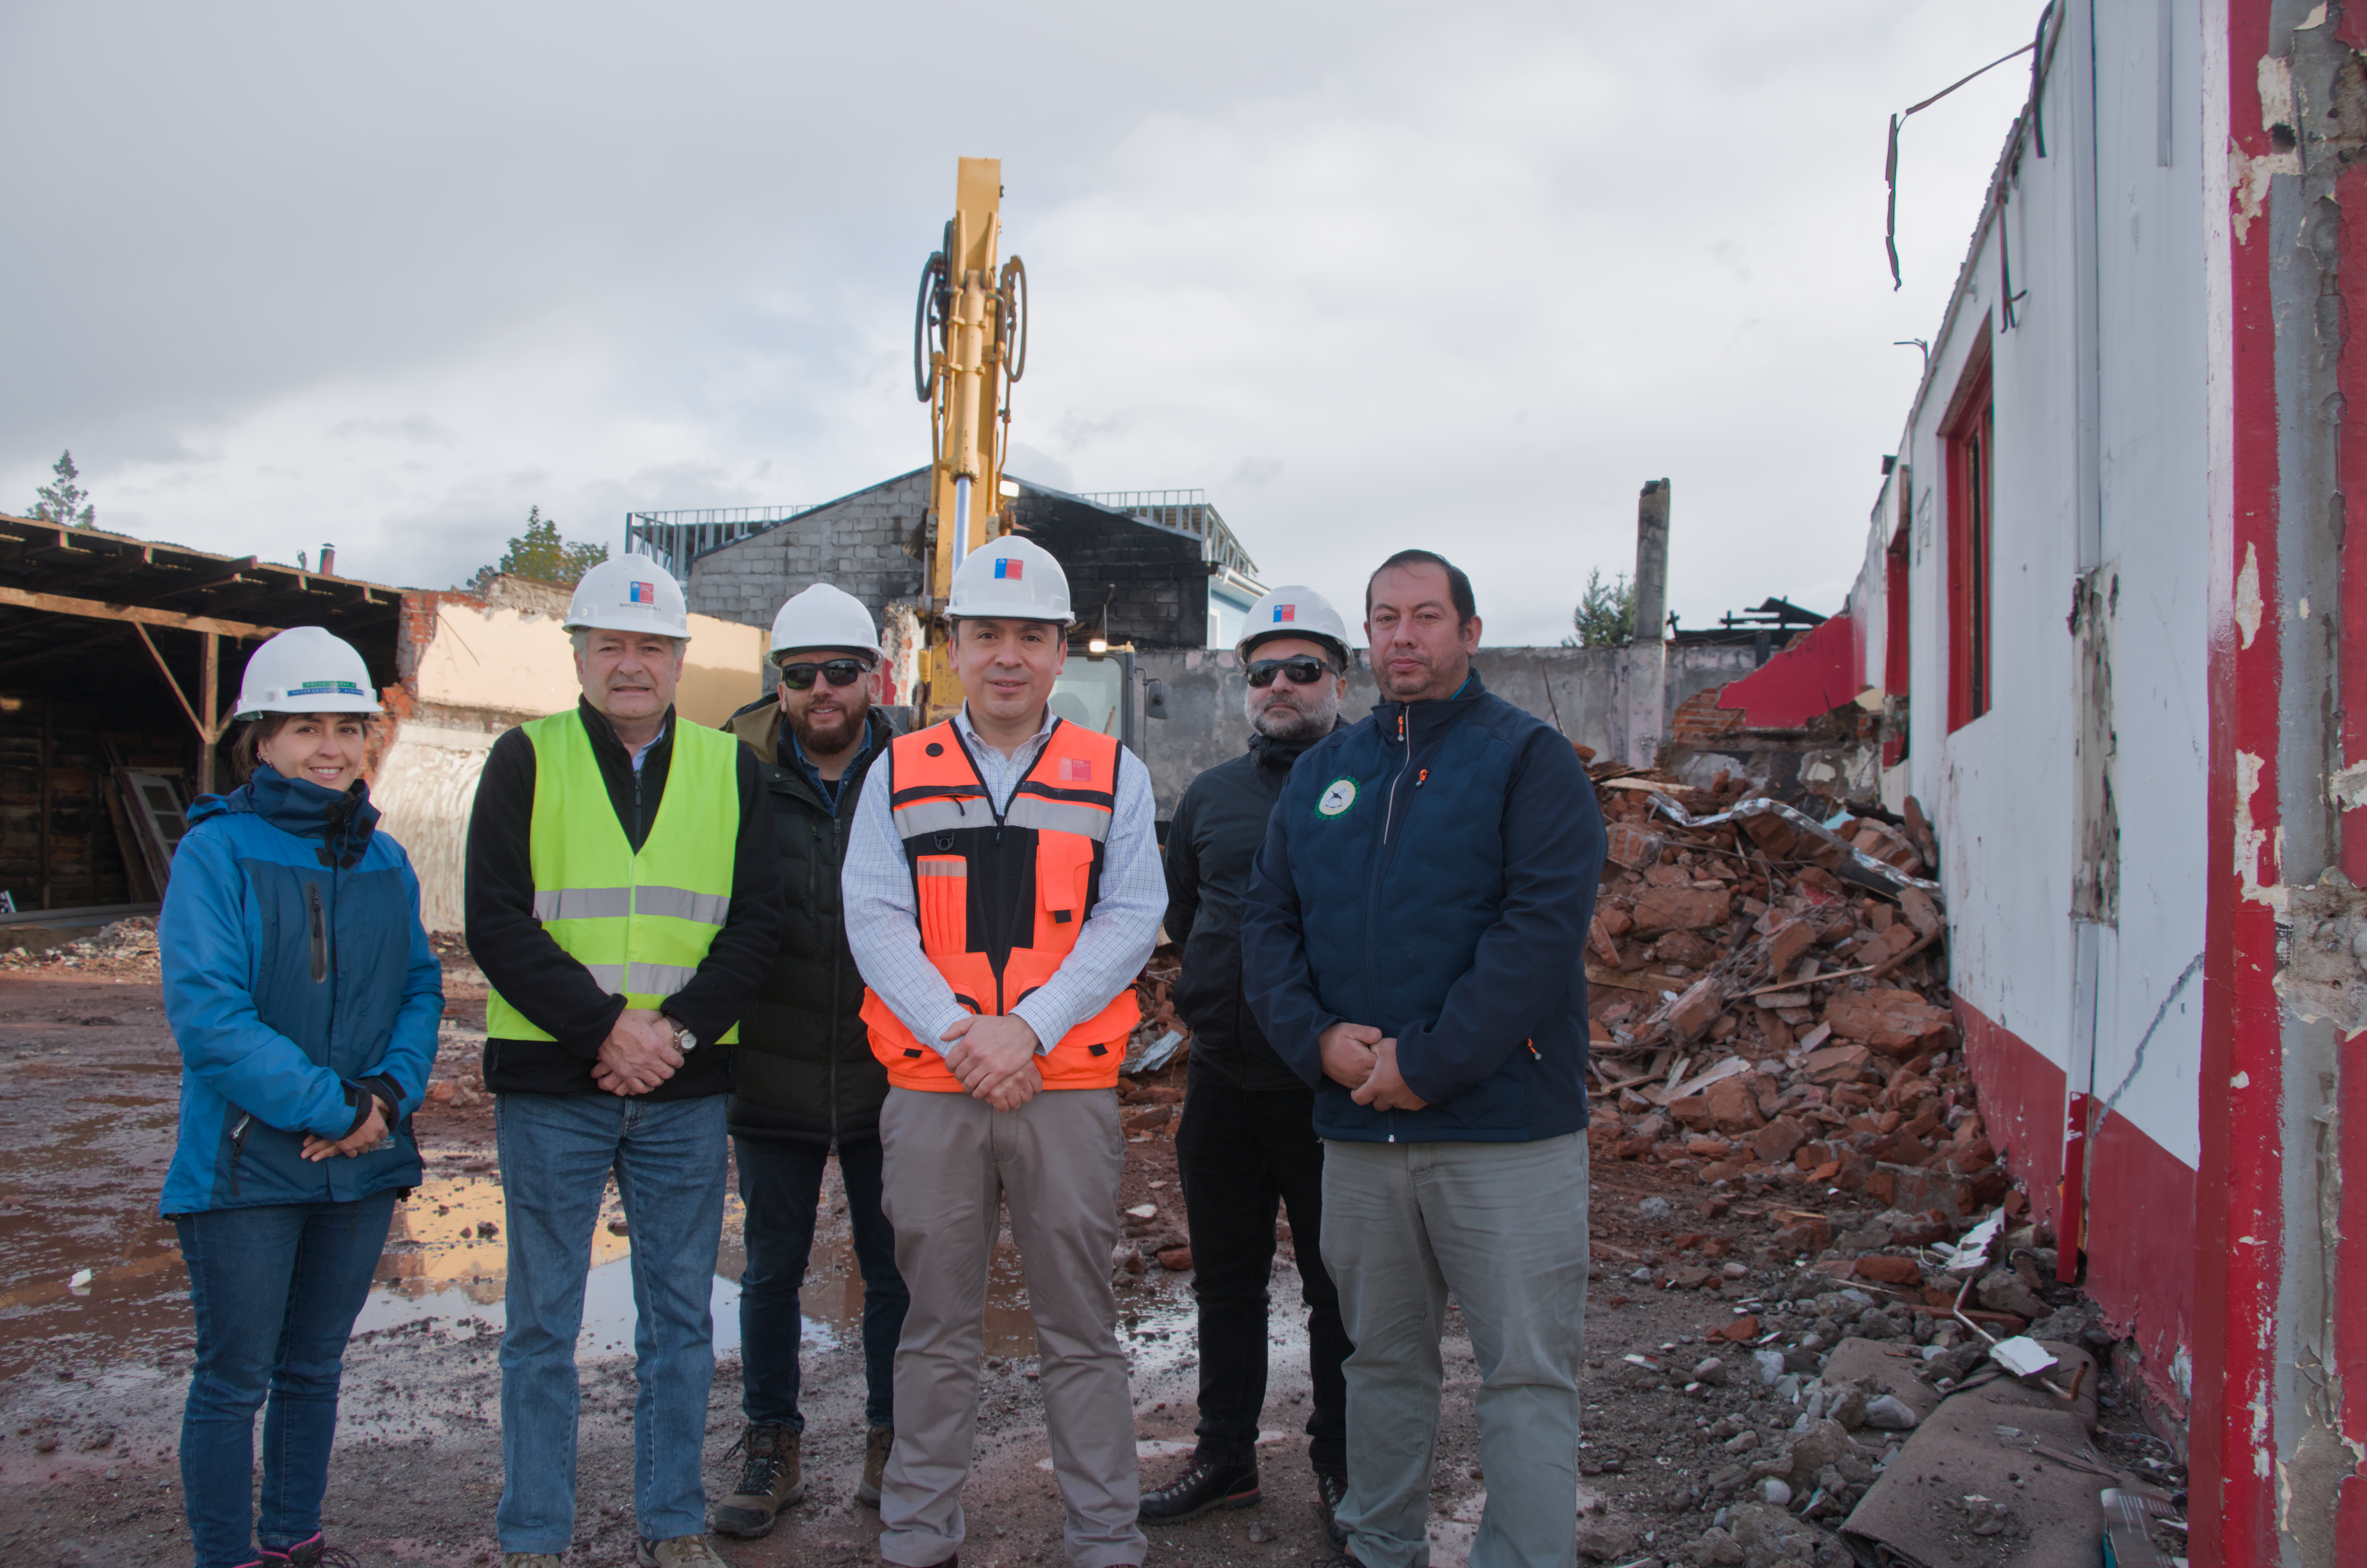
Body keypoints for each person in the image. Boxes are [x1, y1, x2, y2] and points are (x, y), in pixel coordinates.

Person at [1242, 550, 1604, 1568]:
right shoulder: (1325, 773)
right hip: (1360, 1132)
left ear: (1469, 632)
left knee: (1527, 1373)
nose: (1404, 635)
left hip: (1505, 1132)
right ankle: (1377, 1543)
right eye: (1385, 617)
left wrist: (1429, 1063)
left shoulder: (1529, 761)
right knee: (1381, 1362)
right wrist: (1315, 1039)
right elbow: (1267, 926)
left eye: (1427, 616)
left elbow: (1538, 936)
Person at [844, 535, 1164, 1568]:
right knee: (934, 1325)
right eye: (987, 634)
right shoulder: (898, 770)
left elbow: (1131, 918)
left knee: (1081, 1323)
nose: (1008, 656)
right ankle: (919, 1526)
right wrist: (962, 1035)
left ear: (1062, 646)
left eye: (1031, 635)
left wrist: (1024, 1028)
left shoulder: (1113, 774)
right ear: (954, 646)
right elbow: (874, 917)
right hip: (937, 1086)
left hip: (1061, 1084)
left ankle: (1105, 1531)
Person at [464, 558, 783, 1568]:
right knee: (539, 1325)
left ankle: (672, 1525)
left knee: (680, 1324)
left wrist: (673, 1033)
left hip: (683, 1091)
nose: (632, 665)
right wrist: (607, 1029)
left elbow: (755, 927)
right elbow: (495, 920)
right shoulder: (526, 758)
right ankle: (533, 1536)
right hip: (556, 1086)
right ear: (580, 657)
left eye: (652, 647)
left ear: (682, 660)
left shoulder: (734, 772)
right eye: (613, 646)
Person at [159, 626, 443, 1568]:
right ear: (261, 740)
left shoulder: (386, 860)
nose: (331, 747)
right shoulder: (217, 853)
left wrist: (389, 1100)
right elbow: (210, 1017)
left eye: (347, 727)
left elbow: (419, 988)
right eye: (305, 727)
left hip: (362, 1160)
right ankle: (226, 1553)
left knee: (314, 1367)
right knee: (236, 1377)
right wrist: (336, 1110)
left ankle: (291, 1538)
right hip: (249, 1161)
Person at [1141, 586, 1358, 1530]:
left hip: (1327, 1092)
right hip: (1224, 1085)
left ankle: (1344, 1465)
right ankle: (1225, 1458)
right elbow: (1187, 917)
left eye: (1301, 669)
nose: (1279, 685)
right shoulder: (1211, 796)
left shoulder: (1376, 784)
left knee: (1335, 1289)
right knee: (1226, 1282)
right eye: (1261, 671)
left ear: (1338, 682)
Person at [710, 583, 910, 1535]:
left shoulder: (919, 769)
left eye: (842, 671)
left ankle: (889, 1432)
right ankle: (769, 1442)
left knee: (892, 1265)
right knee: (772, 1272)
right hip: (773, 1065)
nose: (823, 690)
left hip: (889, 1067)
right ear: (777, 683)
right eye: (803, 675)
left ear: (873, 676)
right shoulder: (728, 774)